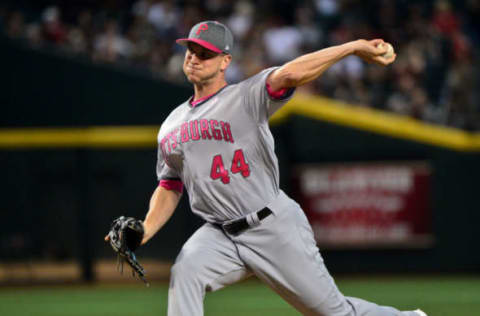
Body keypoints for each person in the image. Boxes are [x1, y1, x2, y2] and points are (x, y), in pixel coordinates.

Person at [139, 21, 426, 316]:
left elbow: (289, 74)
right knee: (186, 272)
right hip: (219, 233)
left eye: (205, 53)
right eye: (191, 50)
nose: (194, 58)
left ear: (225, 61)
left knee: (335, 313)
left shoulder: (245, 97)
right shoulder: (171, 124)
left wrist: (352, 47)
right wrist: (145, 230)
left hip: (271, 225)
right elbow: (170, 184)